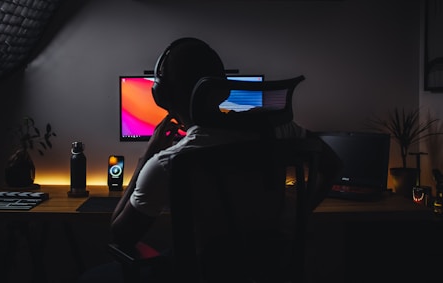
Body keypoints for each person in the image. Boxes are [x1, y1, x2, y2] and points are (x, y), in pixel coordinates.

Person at [79, 37, 342, 283]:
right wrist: (298, 216)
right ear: (221, 86)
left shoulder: (168, 162)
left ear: (163, 95)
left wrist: (148, 154)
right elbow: (333, 165)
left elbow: (121, 235)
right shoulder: (281, 129)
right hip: (273, 267)